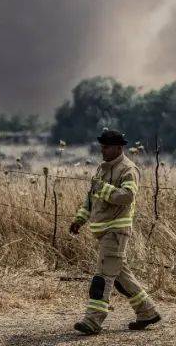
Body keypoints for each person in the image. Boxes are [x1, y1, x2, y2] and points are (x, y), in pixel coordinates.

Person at [69, 128, 162, 335]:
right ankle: (147, 312)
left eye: (106, 147)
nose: (102, 150)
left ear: (119, 148)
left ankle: (93, 320)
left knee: (103, 277)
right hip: (103, 231)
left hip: (116, 231)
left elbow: (127, 196)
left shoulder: (129, 169)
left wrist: (103, 189)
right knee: (121, 276)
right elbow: (91, 198)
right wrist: (79, 219)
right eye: (101, 146)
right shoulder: (102, 169)